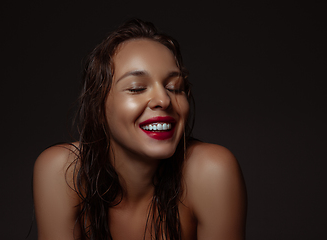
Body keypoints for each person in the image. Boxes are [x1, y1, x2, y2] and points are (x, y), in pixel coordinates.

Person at [33, 18, 247, 240]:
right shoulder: (61, 171)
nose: (164, 100)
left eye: (175, 88)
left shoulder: (211, 171)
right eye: (137, 88)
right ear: (98, 107)